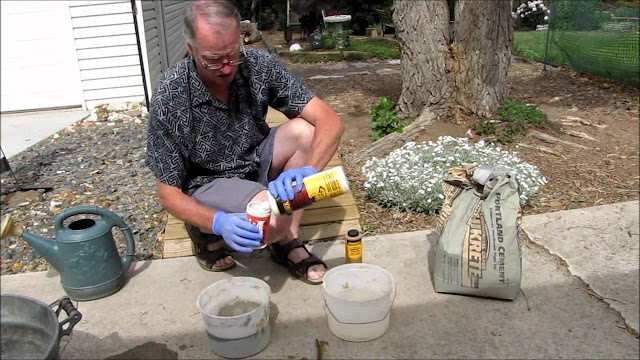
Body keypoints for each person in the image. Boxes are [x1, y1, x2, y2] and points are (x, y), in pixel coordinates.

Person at [145, 0, 344, 285]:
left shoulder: (258, 65)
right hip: (207, 181)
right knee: (270, 220)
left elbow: (330, 120)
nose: (226, 68)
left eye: (232, 55)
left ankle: (288, 239)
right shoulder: (171, 97)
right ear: (191, 49)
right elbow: (167, 193)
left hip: (254, 159)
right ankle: (205, 229)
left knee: (306, 132)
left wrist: (310, 170)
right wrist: (218, 222)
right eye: (213, 59)